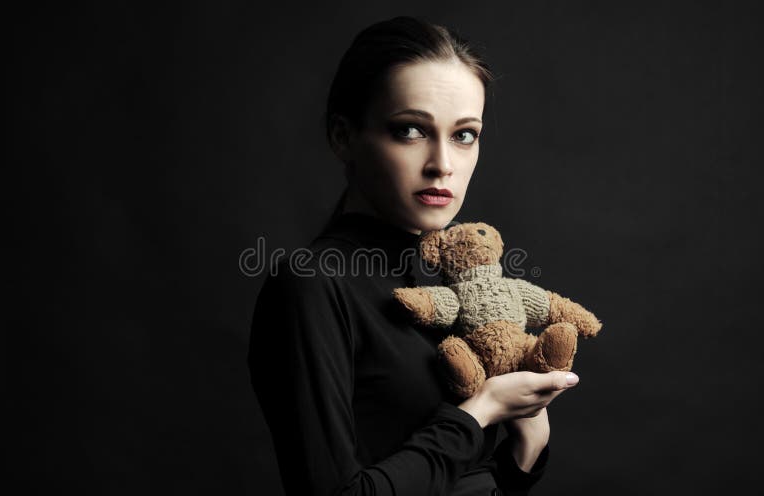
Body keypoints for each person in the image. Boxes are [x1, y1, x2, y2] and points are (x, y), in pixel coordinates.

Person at [248, 16, 580, 495]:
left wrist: (527, 449)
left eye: (464, 134)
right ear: (343, 136)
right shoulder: (312, 286)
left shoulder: (450, 284)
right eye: (409, 130)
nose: (442, 165)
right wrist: (479, 412)